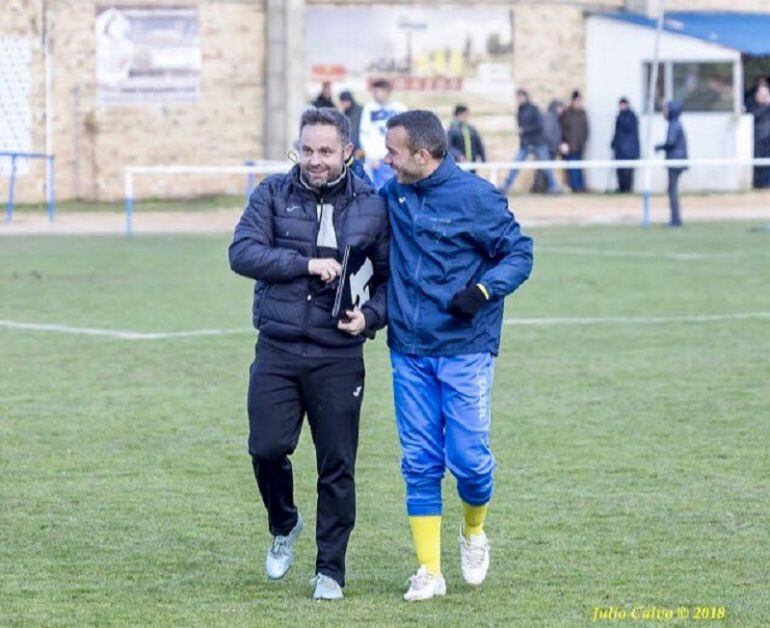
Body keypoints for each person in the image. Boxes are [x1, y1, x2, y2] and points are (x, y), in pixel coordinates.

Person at [228, 107, 389, 601]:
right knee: (266, 448)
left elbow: (390, 280)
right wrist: (306, 264)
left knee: (336, 465)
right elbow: (242, 253)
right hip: (277, 347)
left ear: (347, 152)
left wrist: (369, 318)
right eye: (307, 149)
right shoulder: (272, 194)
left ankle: (330, 571)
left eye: (325, 151)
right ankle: (284, 523)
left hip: (338, 355)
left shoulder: (373, 205)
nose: (315, 160)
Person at [380, 110, 533, 601]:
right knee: (420, 462)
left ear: (422, 156)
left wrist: (483, 291)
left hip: (465, 348)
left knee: (470, 463)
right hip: (409, 350)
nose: (387, 159)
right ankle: (429, 570)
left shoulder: (476, 198)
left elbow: (520, 253)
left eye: (394, 152)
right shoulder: (392, 194)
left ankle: (474, 531)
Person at [500, 89, 559, 194]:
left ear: (525, 97)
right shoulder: (520, 110)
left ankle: (554, 186)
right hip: (526, 144)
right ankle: (505, 186)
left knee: (546, 166)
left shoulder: (534, 109)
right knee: (516, 165)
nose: (519, 99)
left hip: (538, 143)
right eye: (517, 97)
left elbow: (539, 126)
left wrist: (524, 130)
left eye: (520, 97)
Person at [359, 79, 407, 189]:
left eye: (377, 91)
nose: (375, 94)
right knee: (377, 190)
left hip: (395, 157)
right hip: (376, 158)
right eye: (374, 92)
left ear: (387, 92)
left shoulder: (400, 108)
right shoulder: (369, 108)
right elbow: (364, 134)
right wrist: (370, 156)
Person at [655, 101, 688, 227]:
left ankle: (675, 220)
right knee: (672, 189)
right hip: (677, 160)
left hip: (675, 161)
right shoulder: (675, 124)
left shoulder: (674, 124)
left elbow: (671, 142)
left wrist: (660, 147)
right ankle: (675, 219)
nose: (663, 112)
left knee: (672, 190)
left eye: (666, 110)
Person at [559, 90, 589, 192]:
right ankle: (576, 187)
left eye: (579, 101)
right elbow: (562, 129)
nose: (578, 103)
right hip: (569, 146)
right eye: (576, 101)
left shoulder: (583, 113)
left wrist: (583, 142)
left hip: (579, 146)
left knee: (579, 168)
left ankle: (581, 187)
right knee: (572, 168)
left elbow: (585, 130)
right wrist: (563, 143)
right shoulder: (566, 113)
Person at [610, 97, 640, 193]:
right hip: (619, 149)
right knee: (620, 170)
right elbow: (617, 132)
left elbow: (629, 129)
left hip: (628, 150)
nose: (621, 107)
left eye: (623, 104)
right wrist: (613, 142)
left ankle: (628, 189)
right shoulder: (619, 116)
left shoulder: (631, 117)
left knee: (628, 171)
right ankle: (621, 188)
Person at [752, 84, 770, 189]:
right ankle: (759, 185)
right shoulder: (753, 105)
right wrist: (766, 105)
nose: (763, 96)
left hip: (768, 140)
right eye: (761, 93)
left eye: (765, 93)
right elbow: (754, 116)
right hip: (758, 140)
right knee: (759, 165)